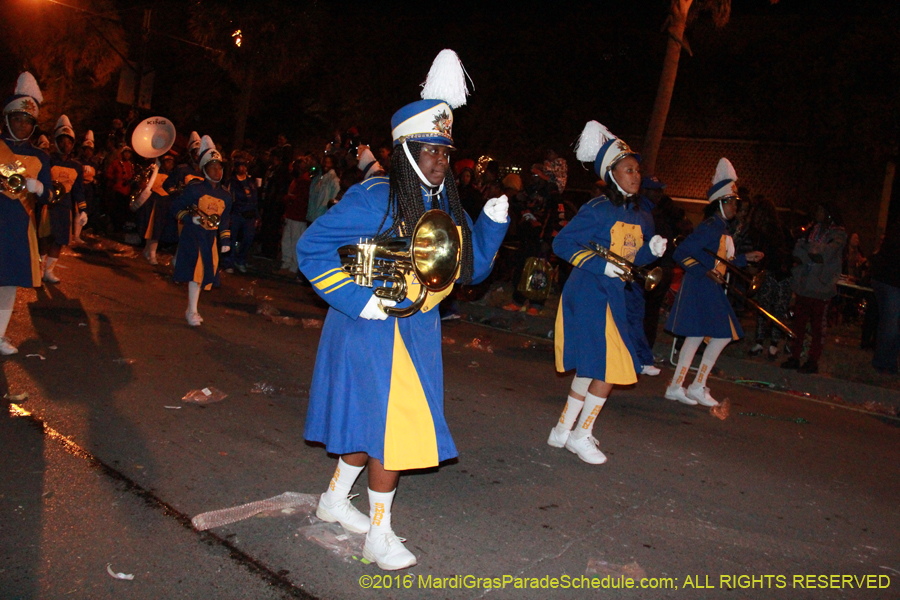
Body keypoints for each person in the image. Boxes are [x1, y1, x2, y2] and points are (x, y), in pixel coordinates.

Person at [296, 49, 508, 571]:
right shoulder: (375, 198)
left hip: (419, 330)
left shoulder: (446, 208)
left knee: (371, 428)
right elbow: (312, 249)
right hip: (370, 328)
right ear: (407, 149)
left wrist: (492, 226)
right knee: (394, 430)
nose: (440, 159)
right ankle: (378, 535)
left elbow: (471, 272)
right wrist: (357, 299)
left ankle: (331, 501)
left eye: (445, 150)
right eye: (430, 149)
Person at [547, 121, 666, 464]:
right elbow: (562, 243)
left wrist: (651, 252)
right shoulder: (596, 210)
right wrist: (600, 266)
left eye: (637, 170)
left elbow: (631, 259)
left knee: (591, 367)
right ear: (611, 174)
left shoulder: (641, 216)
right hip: (588, 292)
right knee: (612, 367)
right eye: (628, 169)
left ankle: (562, 429)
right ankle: (581, 435)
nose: (635, 175)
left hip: (614, 295)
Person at [664, 158, 763, 406]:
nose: (735, 207)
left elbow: (721, 259)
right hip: (701, 285)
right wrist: (703, 271)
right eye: (731, 202)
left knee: (697, 336)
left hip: (710, 285)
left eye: (735, 203)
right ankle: (696, 384)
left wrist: (744, 258)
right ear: (720, 202)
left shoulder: (722, 227)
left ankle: (678, 385)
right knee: (723, 334)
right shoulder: (711, 226)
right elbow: (681, 252)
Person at [0, 72, 52, 354]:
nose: (22, 125)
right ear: (8, 118)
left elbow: (51, 195)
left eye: (28, 121)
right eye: (18, 118)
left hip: (18, 224)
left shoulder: (40, 156)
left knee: (8, 281)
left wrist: (40, 187)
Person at [171, 135, 232, 326]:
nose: (217, 171)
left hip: (210, 238)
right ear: (204, 169)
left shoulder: (226, 195)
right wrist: (190, 218)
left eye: (219, 167)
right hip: (194, 236)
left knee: (206, 272)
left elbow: (225, 219)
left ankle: (192, 309)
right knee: (195, 272)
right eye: (212, 167)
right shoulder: (194, 189)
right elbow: (176, 208)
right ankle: (192, 310)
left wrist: (226, 240)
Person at [781, 203, 846, 374]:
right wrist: (811, 252)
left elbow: (825, 254)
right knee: (799, 325)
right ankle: (795, 356)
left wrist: (809, 251)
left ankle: (812, 360)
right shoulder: (810, 230)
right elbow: (798, 250)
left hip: (821, 287)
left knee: (818, 328)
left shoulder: (838, 234)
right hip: (804, 284)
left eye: (820, 210)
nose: (816, 213)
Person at [745, 197, 793, 360]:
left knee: (777, 309)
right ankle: (761, 341)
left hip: (780, 273)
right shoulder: (758, 232)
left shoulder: (780, 231)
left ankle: (773, 343)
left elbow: (788, 252)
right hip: (768, 272)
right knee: (763, 308)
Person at [42, 115, 87, 283]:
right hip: (48, 205)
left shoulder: (76, 166)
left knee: (59, 239)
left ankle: (49, 271)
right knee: (45, 238)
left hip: (65, 207)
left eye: (69, 142)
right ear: (55, 141)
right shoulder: (48, 160)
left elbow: (78, 190)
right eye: (62, 141)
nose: (65, 145)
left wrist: (82, 210)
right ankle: (38, 269)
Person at [870, 219, 900, 373]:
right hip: (890, 280)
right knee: (891, 325)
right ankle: (883, 362)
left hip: (887, 279)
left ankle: (888, 361)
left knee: (890, 323)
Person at [222, 152, 258, 273]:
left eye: (244, 166)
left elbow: (255, 199)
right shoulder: (231, 182)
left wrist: (257, 215)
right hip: (236, 214)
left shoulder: (251, 182)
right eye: (240, 166)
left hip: (249, 215)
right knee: (231, 239)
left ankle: (240, 260)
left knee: (248, 238)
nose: (243, 168)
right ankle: (229, 263)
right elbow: (226, 199)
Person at [275, 157, 311, 278]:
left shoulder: (305, 182)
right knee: (287, 240)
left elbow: (301, 200)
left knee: (294, 241)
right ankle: (287, 264)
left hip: (298, 216)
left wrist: (290, 198)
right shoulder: (298, 180)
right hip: (292, 215)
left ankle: (293, 266)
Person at [140, 151, 177, 265]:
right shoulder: (156, 172)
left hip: (166, 204)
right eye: (167, 162)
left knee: (158, 229)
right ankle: (151, 252)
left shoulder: (173, 176)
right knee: (153, 228)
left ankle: (148, 250)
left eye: (171, 162)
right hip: (155, 202)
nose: (169, 164)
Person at [305, 154, 338, 224]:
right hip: (312, 217)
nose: (325, 164)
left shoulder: (334, 181)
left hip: (322, 218)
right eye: (324, 162)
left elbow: (333, 200)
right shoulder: (317, 178)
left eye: (328, 163)